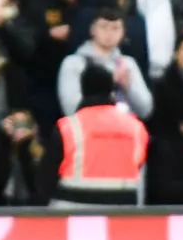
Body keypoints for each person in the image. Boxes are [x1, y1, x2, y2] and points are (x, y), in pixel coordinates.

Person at [52, 64, 149, 209]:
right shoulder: (136, 127)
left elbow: (47, 175)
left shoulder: (68, 126)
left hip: (72, 211)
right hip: (122, 212)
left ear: (83, 89)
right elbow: (139, 164)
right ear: (112, 90)